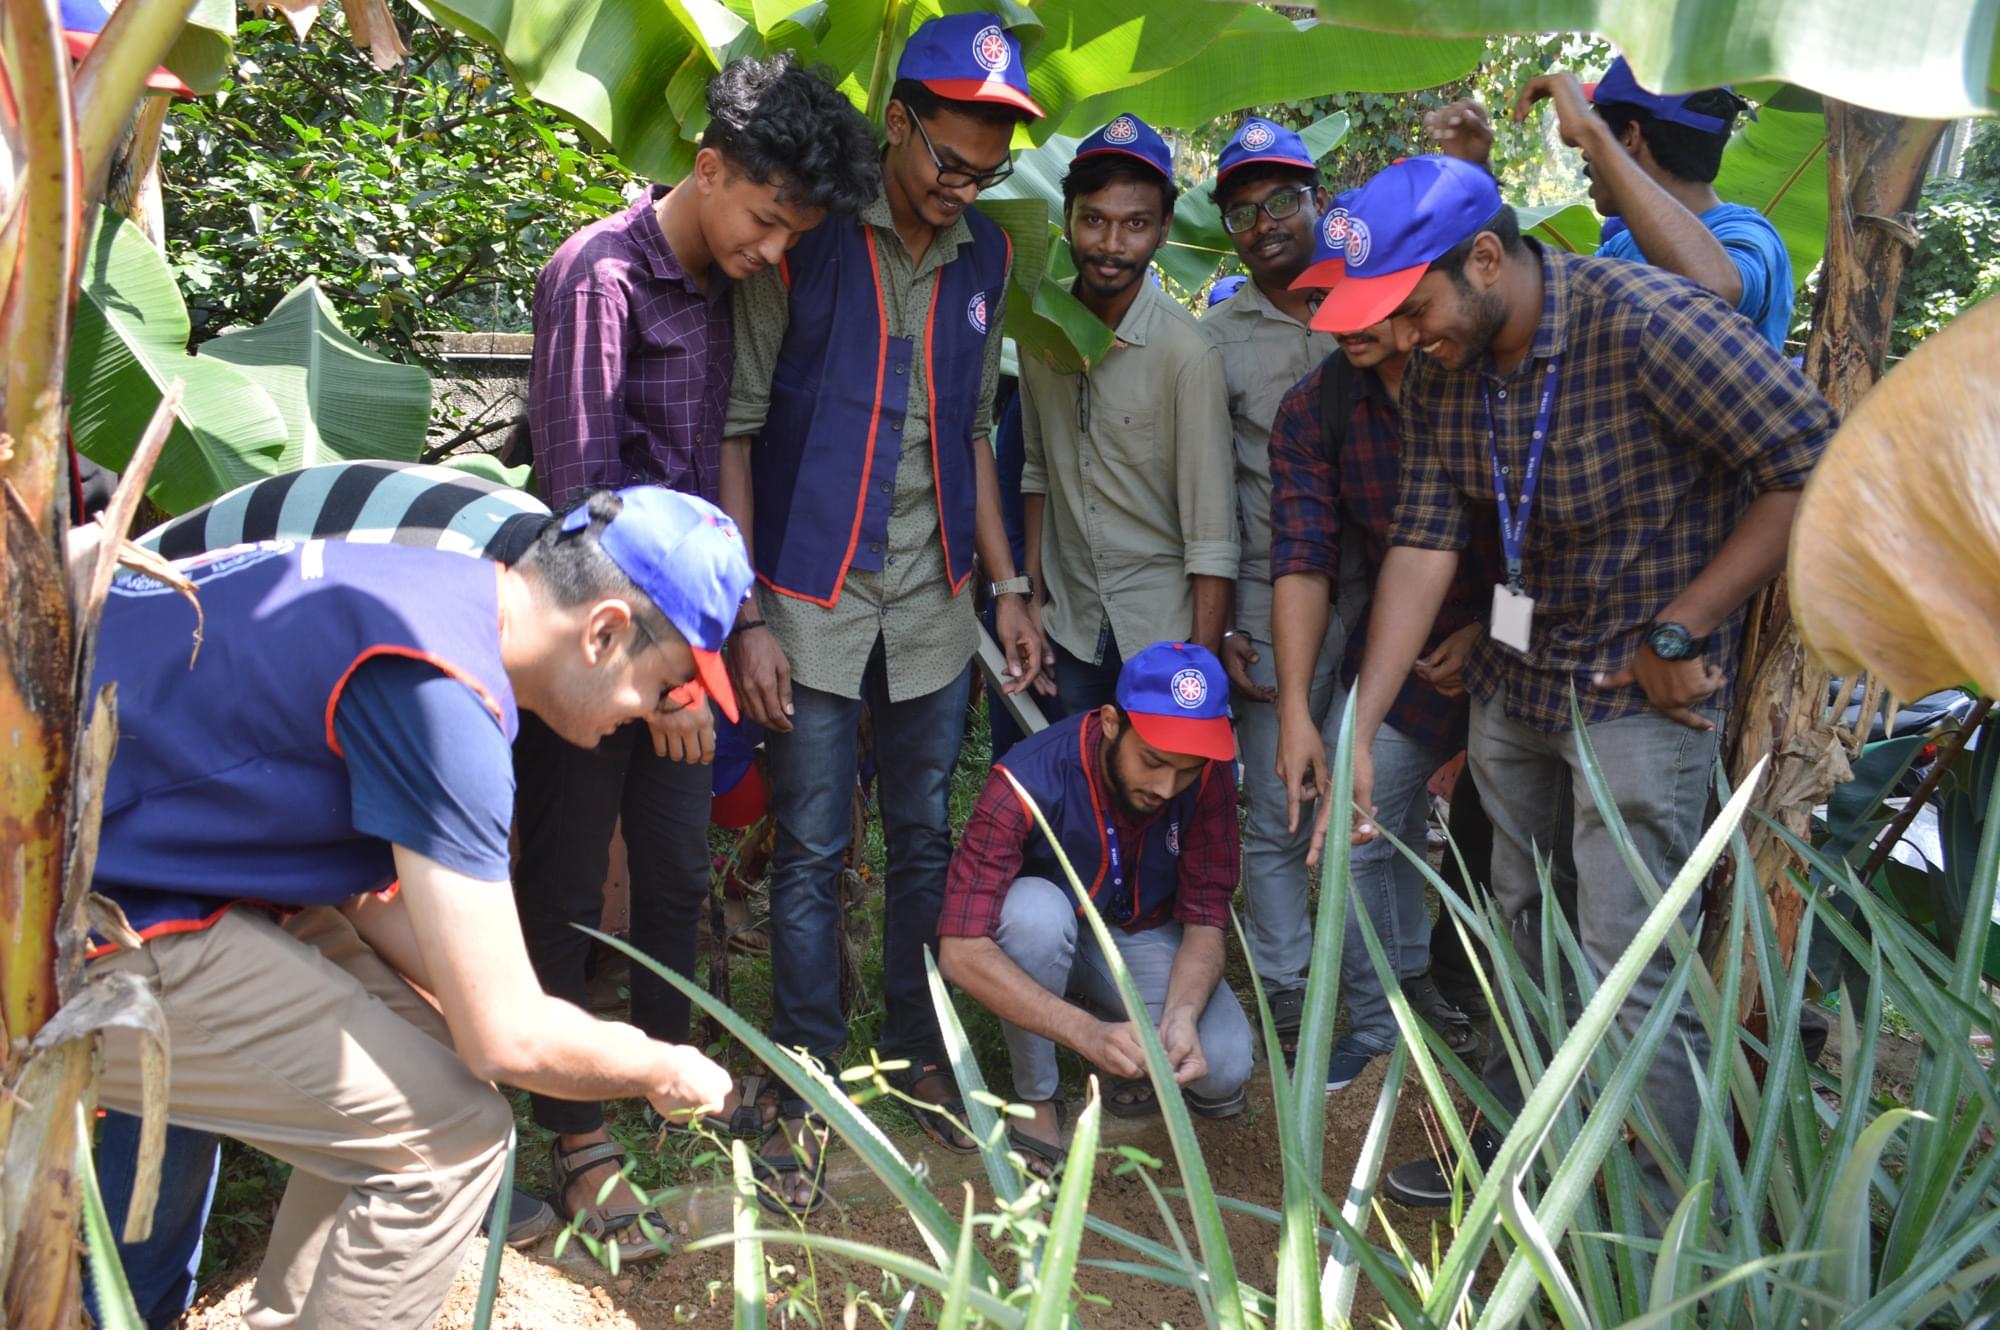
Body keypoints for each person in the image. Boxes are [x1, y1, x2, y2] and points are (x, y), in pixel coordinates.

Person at [88, 486, 751, 1330]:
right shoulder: (447, 698)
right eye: (666, 688)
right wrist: (656, 1065)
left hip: (145, 861)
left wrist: (496, 1005)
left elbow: (373, 906)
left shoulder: (433, 597)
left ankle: (294, 1315)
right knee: (450, 1142)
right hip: (74, 916)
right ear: (606, 632)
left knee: (436, 1050)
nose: (652, 715)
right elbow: (505, 1035)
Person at [1307, 155, 1835, 1210]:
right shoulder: (1444, 371)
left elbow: (1811, 462)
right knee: (1521, 943)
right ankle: (1514, 1165)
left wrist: (1683, 626)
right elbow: (1421, 539)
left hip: (1637, 701)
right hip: (1515, 686)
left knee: (1627, 973)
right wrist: (1357, 729)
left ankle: (1655, 1231)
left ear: (1487, 258)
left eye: (1411, 311)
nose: (1403, 341)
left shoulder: (1648, 322)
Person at [521, 53, 877, 1256]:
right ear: (709, 168)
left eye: (792, 234)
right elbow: (578, 505)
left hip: (686, 653)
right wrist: (649, 688)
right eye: (766, 220)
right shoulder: (599, 279)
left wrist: (697, 669)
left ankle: (654, 1078)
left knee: (672, 877)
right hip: (595, 648)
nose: (773, 251)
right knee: (569, 887)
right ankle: (573, 1138)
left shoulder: (725, 287)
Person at [717, 11, 1045, 1213]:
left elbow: (970, 433)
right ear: (896, 122)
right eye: (946, 161)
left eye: (986, 169)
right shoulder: (806, 235)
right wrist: (746, 605)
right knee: (808, 840)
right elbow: (736, 423)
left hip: (935, 601)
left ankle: (917, 1056)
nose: (962, 186)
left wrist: (1004, 587)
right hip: (807, 593)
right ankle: (802, 1070)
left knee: (919, 831)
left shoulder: (988, 261)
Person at [1263, 203, 1495, 1089]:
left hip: (1525, 653)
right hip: (1399, 664)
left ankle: (1483, 1027)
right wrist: (1296, 710)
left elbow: (1548, 555)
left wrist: (1490, 637)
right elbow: (1303, 557)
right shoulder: (1314, 411)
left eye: (1365, 301)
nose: (1342, 322)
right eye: (1327, 300)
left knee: (1509, 870)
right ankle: (1383, 1014)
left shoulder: (1485, 386)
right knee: (1353, 836)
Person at [937, 642, 1255, 1168]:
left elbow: (1205, 919)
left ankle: (1122, 1035)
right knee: (1032, 917)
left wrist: (1181, 1014)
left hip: (1138, 935)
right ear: (1111, 722)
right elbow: (961, 951)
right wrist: (1086, 1035)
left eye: (1185, 770)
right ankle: (1036, 1095)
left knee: (1222, 1066)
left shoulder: (1209, 775)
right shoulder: (1024, 780)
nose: (1165, 786)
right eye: (1152, 760)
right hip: (1041, 931)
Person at [1196, 117, 1347, 1043]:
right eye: (1243, 212)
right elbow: (1211, 492)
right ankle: (1289, 985)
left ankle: (1373, 979)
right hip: (1263, 594)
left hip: (1376, 593)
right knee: (1277, 799)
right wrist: (1221, 628)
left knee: (1376, 787)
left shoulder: (1373, 303)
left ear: (1317, 201)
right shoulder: (1213, 343)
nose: (1265, 224)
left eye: (1283, 200)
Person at [1019, 112, 1237, 715]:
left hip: (1160, 636)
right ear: (1068, 218)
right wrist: (1032, 598)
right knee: (1075, 800)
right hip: (1069, 626)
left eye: (1135, 225)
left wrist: (1201, 667)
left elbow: (1212, 538)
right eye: (1094, 220)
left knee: (1157, 802)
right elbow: (1037, 472)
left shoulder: (1187, 354)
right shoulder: (1041, 328)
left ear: (1164, 228)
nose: (1112, 246)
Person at [1427, 55, 1794, 348]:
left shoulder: (1749, 235)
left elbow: (1714, 293)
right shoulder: (1622, 246)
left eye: (1599, 123)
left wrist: (1592, 134)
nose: (1583, 152)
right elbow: (1529, 300)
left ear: (1630, 136)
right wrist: (1476, 173)